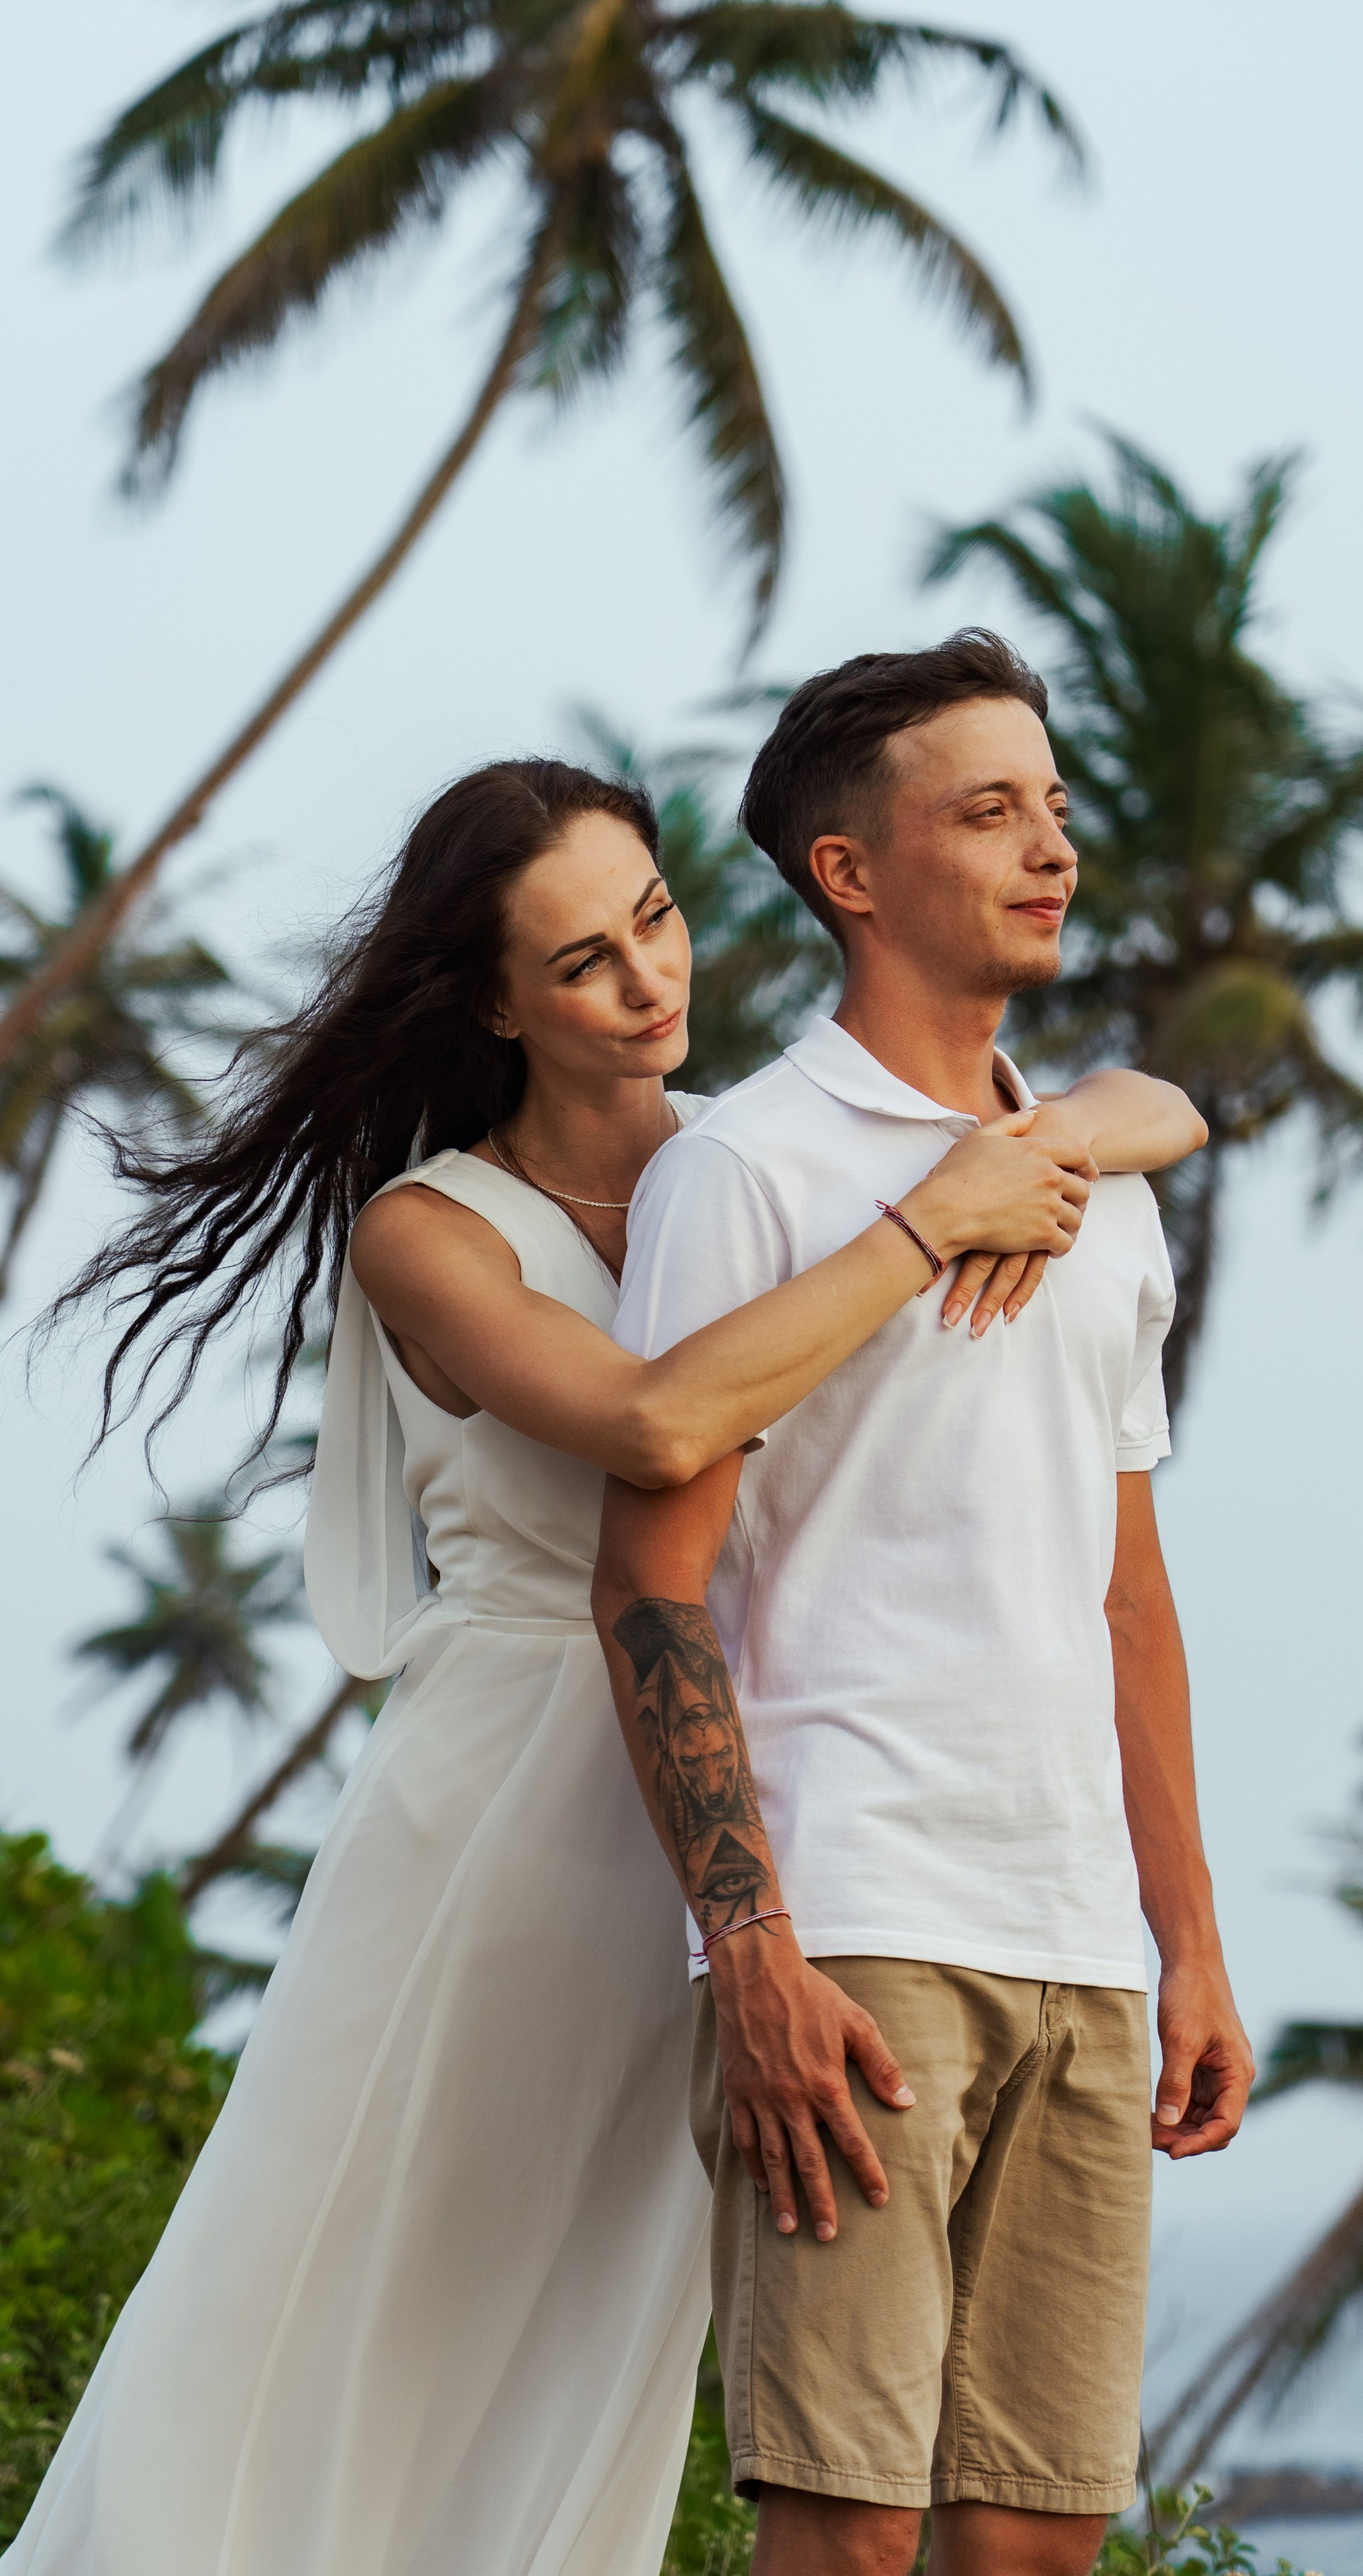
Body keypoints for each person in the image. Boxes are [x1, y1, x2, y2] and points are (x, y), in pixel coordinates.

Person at [8, 756, 1207, 2576]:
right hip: (507, 1823)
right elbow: (660, 1423)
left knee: (608, 2346)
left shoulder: (744, 1160)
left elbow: (1152, 1097)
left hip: (733, 1790)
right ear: (496, 1001)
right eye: (584, 962)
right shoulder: (432, 1234)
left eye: (654, 920)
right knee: (357, 2308)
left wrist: (1056, 1141)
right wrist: (929, 1224)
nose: (652, 981)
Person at [594, 634, 1253, 2576]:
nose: (1050, 848)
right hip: (858, 1920)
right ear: (847, 870)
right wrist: (757, 1955)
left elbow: (1127, 1586)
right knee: (851, 2535)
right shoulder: (748, 1168)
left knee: (1043, 2541)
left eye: (1051, 807)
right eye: (989, 811)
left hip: (1075, 1938)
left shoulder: (1096, 1185)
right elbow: (652, 1588)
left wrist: (1187, 1942)